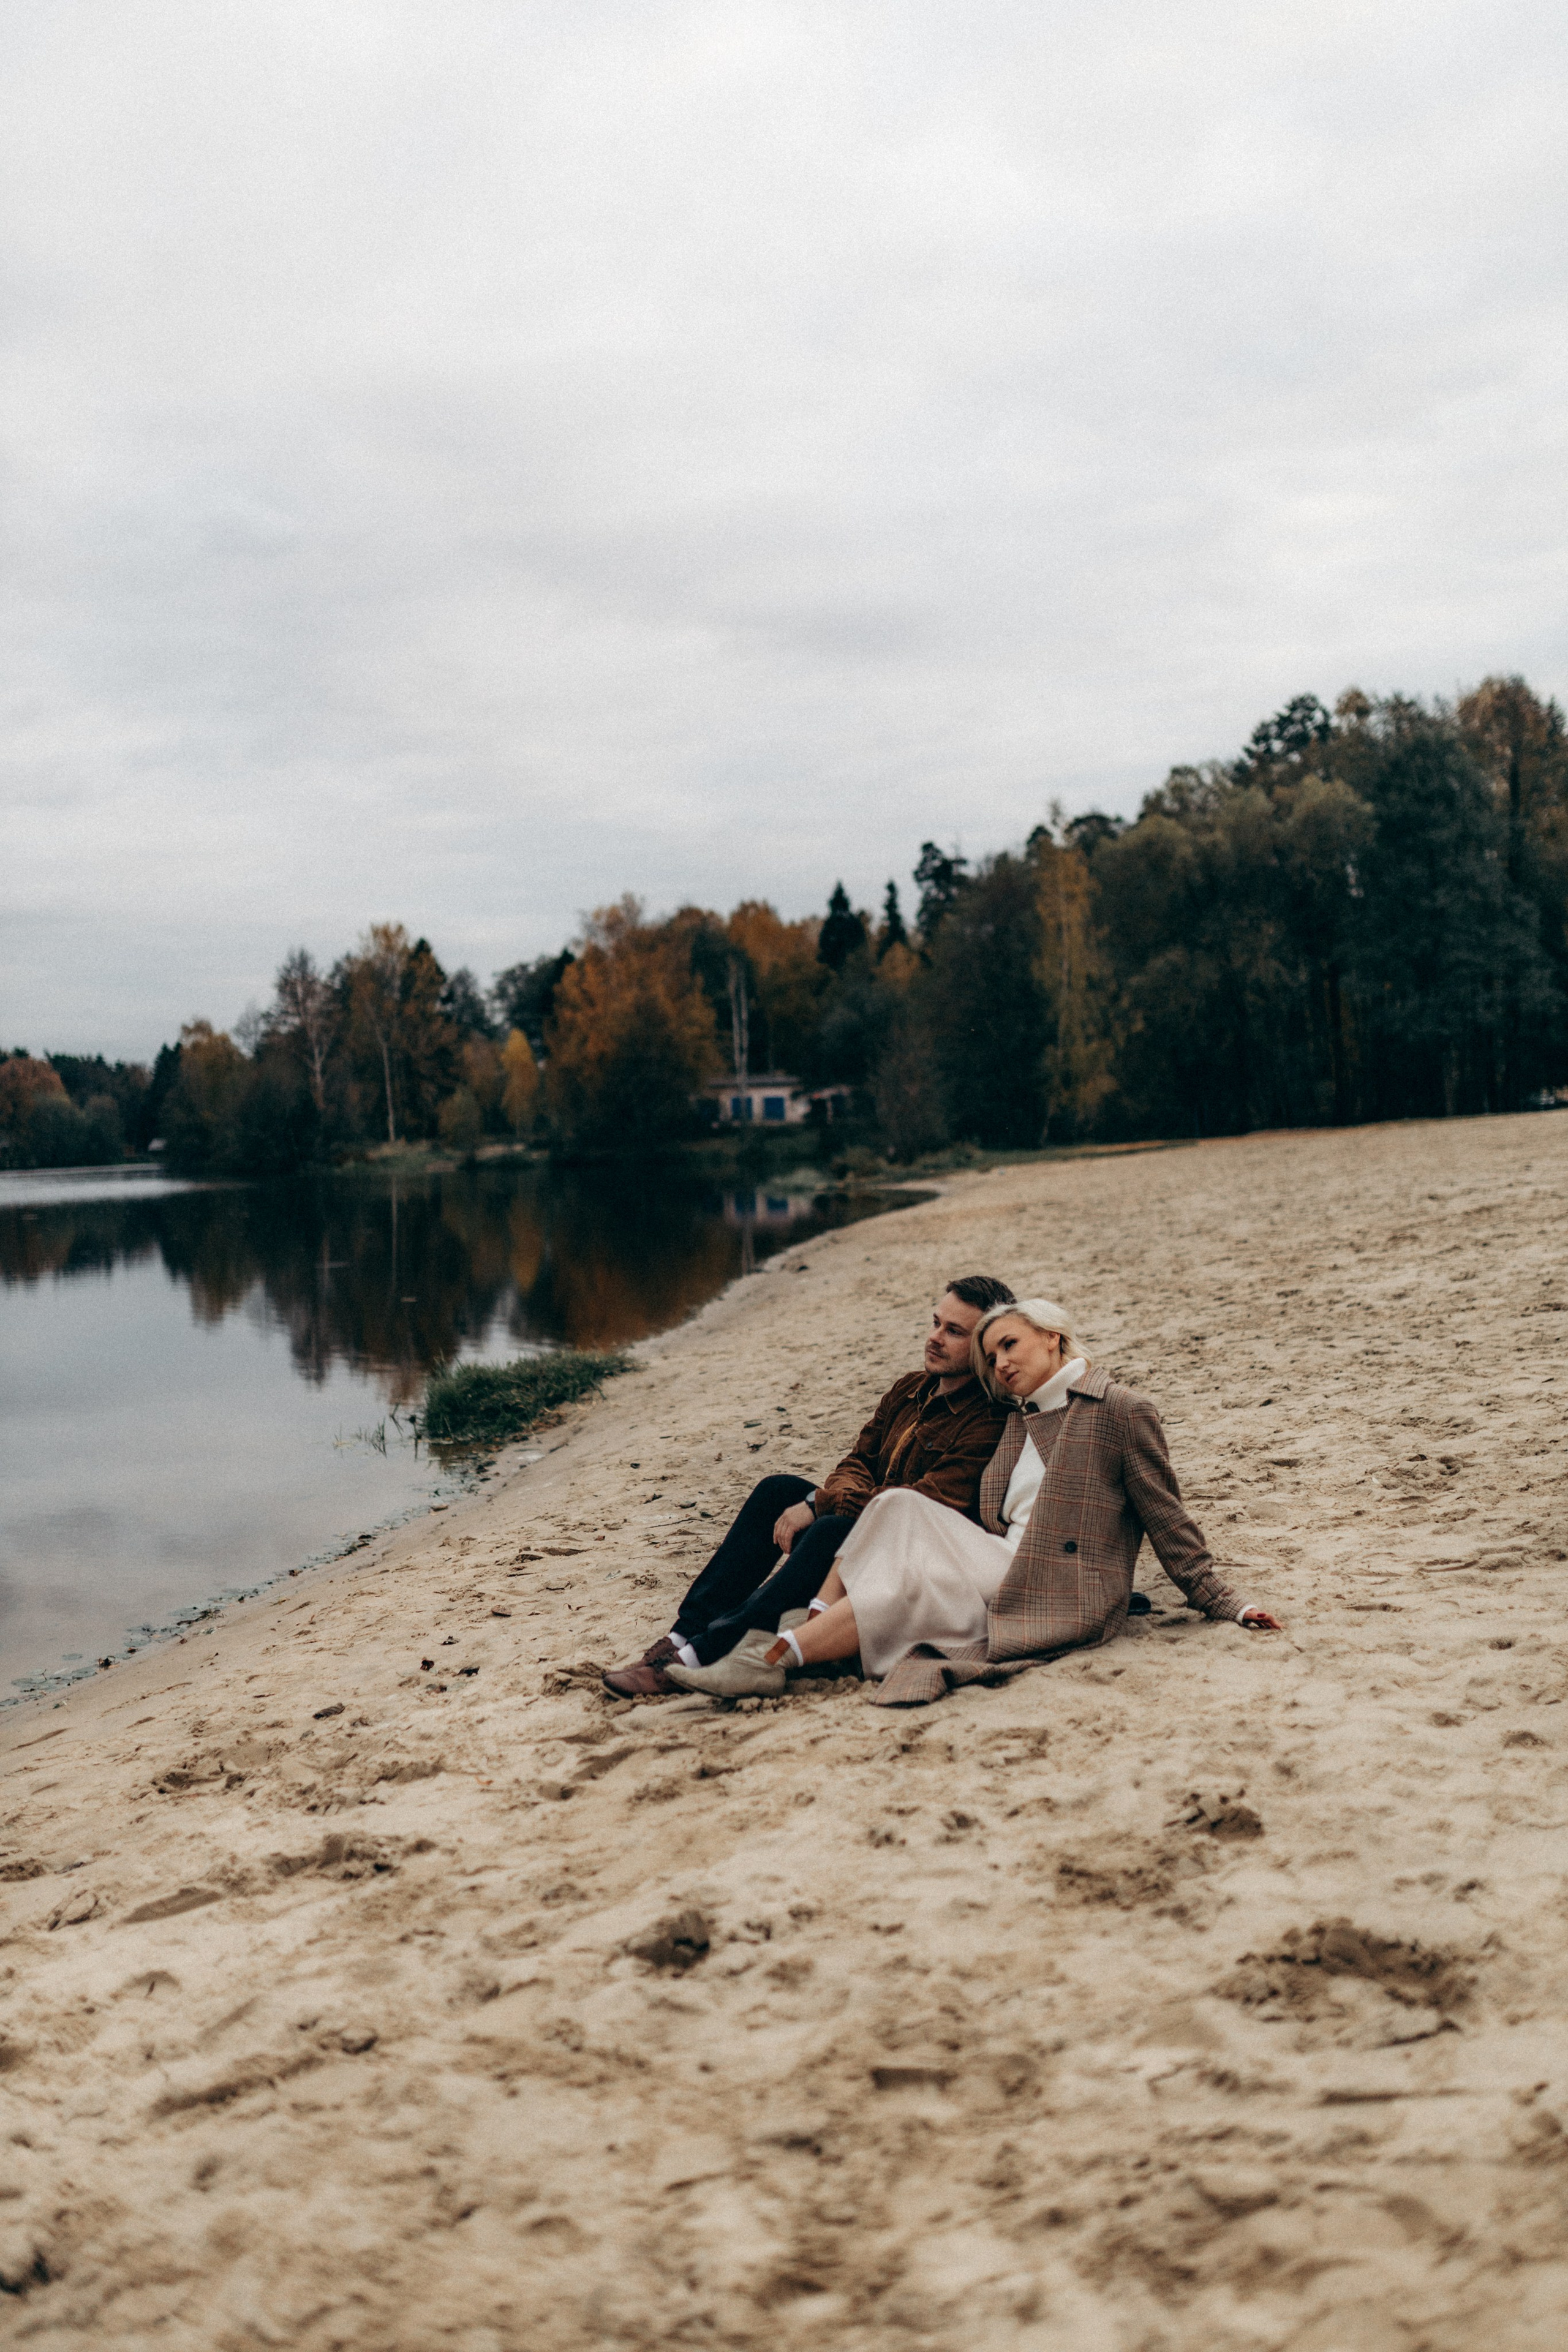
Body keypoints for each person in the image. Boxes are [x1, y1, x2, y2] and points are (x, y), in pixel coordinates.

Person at [668, 1295, 1280, 1703]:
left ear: (1053, 1337)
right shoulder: (1018, 1420)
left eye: (1010, 1345)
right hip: (1001, 1554)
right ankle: (806, 1627)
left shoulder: (1120, 1410)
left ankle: (771, 1657)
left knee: (909, 1584)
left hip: (1055, 1582)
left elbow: (1167, 1517)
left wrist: (1227, 1603)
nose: (1002, 1363)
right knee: (895, 1504)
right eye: (992, 1357)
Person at [602, 1275, 1016, 1698]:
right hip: (858, 1534)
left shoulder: (988, 1419)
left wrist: (821, 1505)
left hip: (904, 1556)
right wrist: (819, 1500)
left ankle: (700, 1654)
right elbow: (857, 1461)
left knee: (831, 1528)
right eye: (935, 1323)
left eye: (954, 1332)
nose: (935, 1338)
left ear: (984, 1348)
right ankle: (682, 1636)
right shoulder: (910, 1389)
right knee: (778, 1491)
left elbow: (924, 1502)